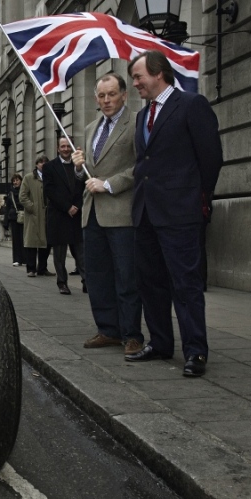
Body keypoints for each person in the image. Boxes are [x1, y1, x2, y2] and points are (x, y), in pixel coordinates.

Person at [125, 50, 223, 378]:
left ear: (159, 74)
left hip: (180, 213)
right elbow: (145, 164)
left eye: (138, 76)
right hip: (146, 214)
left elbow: (211, 159)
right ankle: (161, 343)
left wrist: (197, 199)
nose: (135, 83)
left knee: (185, 284)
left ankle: (196, 351)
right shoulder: (142, 117)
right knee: (150, 284)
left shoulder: (192, 105)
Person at [71, 72, 143, 356]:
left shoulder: (136, 122)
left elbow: (141, 166)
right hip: (92, 214)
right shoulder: (91, 128)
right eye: (101, 96)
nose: (107, 100)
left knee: (126, 277)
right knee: (98, 277)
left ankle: (132, 335)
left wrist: (110, 184)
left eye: (112, 94)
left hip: (121, 212)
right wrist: (79, 167)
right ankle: (108, 330)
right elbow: (88, 173)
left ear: (124, 94)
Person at [43, 136, 85, 295]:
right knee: (59, 255)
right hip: (59, 216)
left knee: (81, 253)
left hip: (77, 215)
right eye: (63, 146)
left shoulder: (80, 166)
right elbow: (49, 191)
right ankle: (62, 283)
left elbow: (84, 187)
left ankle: (86, 281)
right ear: (58, 148)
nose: (66, 149)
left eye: (68, 146)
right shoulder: (49, 167)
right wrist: (67, 207)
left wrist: (77, 206)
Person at [19, 156, 53, 277]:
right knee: (32, 243)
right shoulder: (29, 178)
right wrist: (32, 207)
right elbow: (22, 196)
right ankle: (31, 269)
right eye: (41, 163)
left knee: (46, 243)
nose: (43, 165)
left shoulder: (50, 177)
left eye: (45, 163)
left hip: (48, 214)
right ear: (36, 164)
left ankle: (42, 268)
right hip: (33, 215)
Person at [5, 173, 25, 266]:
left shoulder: (25, 191)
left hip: (25, 217)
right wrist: (6, 221)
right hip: (14, 218)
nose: (15, 182)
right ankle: (17, 259)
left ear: (21, 181)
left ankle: (25, 258)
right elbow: (7, 207)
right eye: (14, 181)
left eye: (17, 180)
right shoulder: (11, 193)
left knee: (25, 238)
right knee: (16, 239)